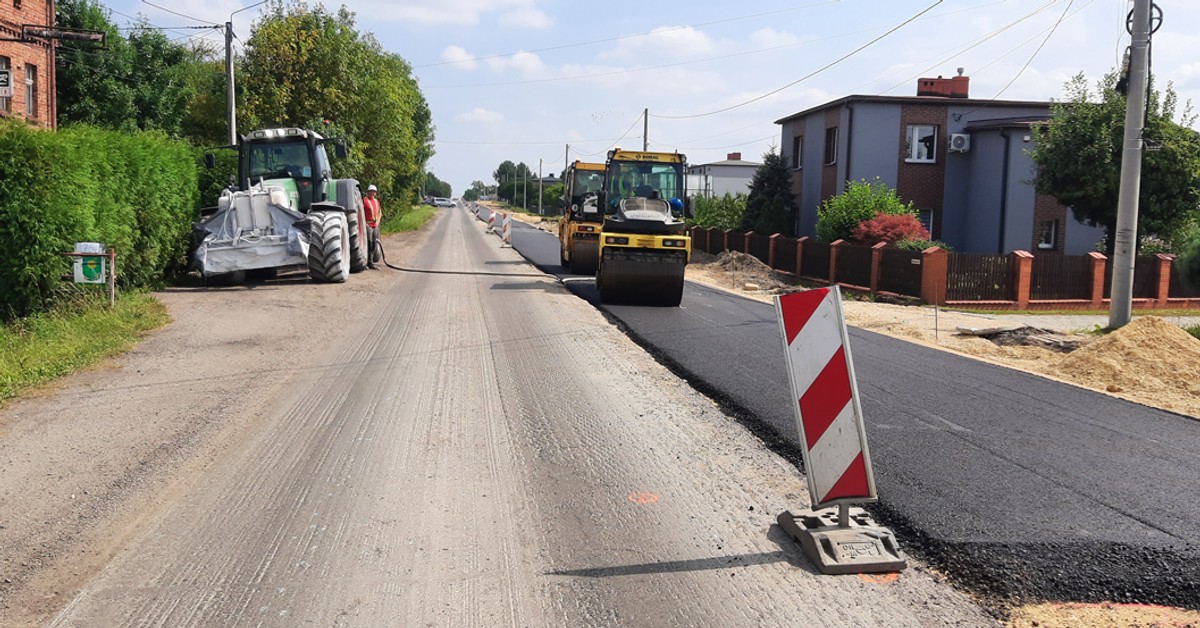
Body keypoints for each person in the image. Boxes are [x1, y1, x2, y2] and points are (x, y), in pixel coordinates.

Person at [364, 184, 382, 269]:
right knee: (369, 242)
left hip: (375, 224)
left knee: (374, 243)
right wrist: (365, 223)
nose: (372, 193)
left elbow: (379, 213)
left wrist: (377, 222)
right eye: (370, 191)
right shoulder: (364, 200)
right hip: (367, 224)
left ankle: (371, 261)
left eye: (373, 191)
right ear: (368, 192)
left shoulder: (376, 201)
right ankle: (367, 262)